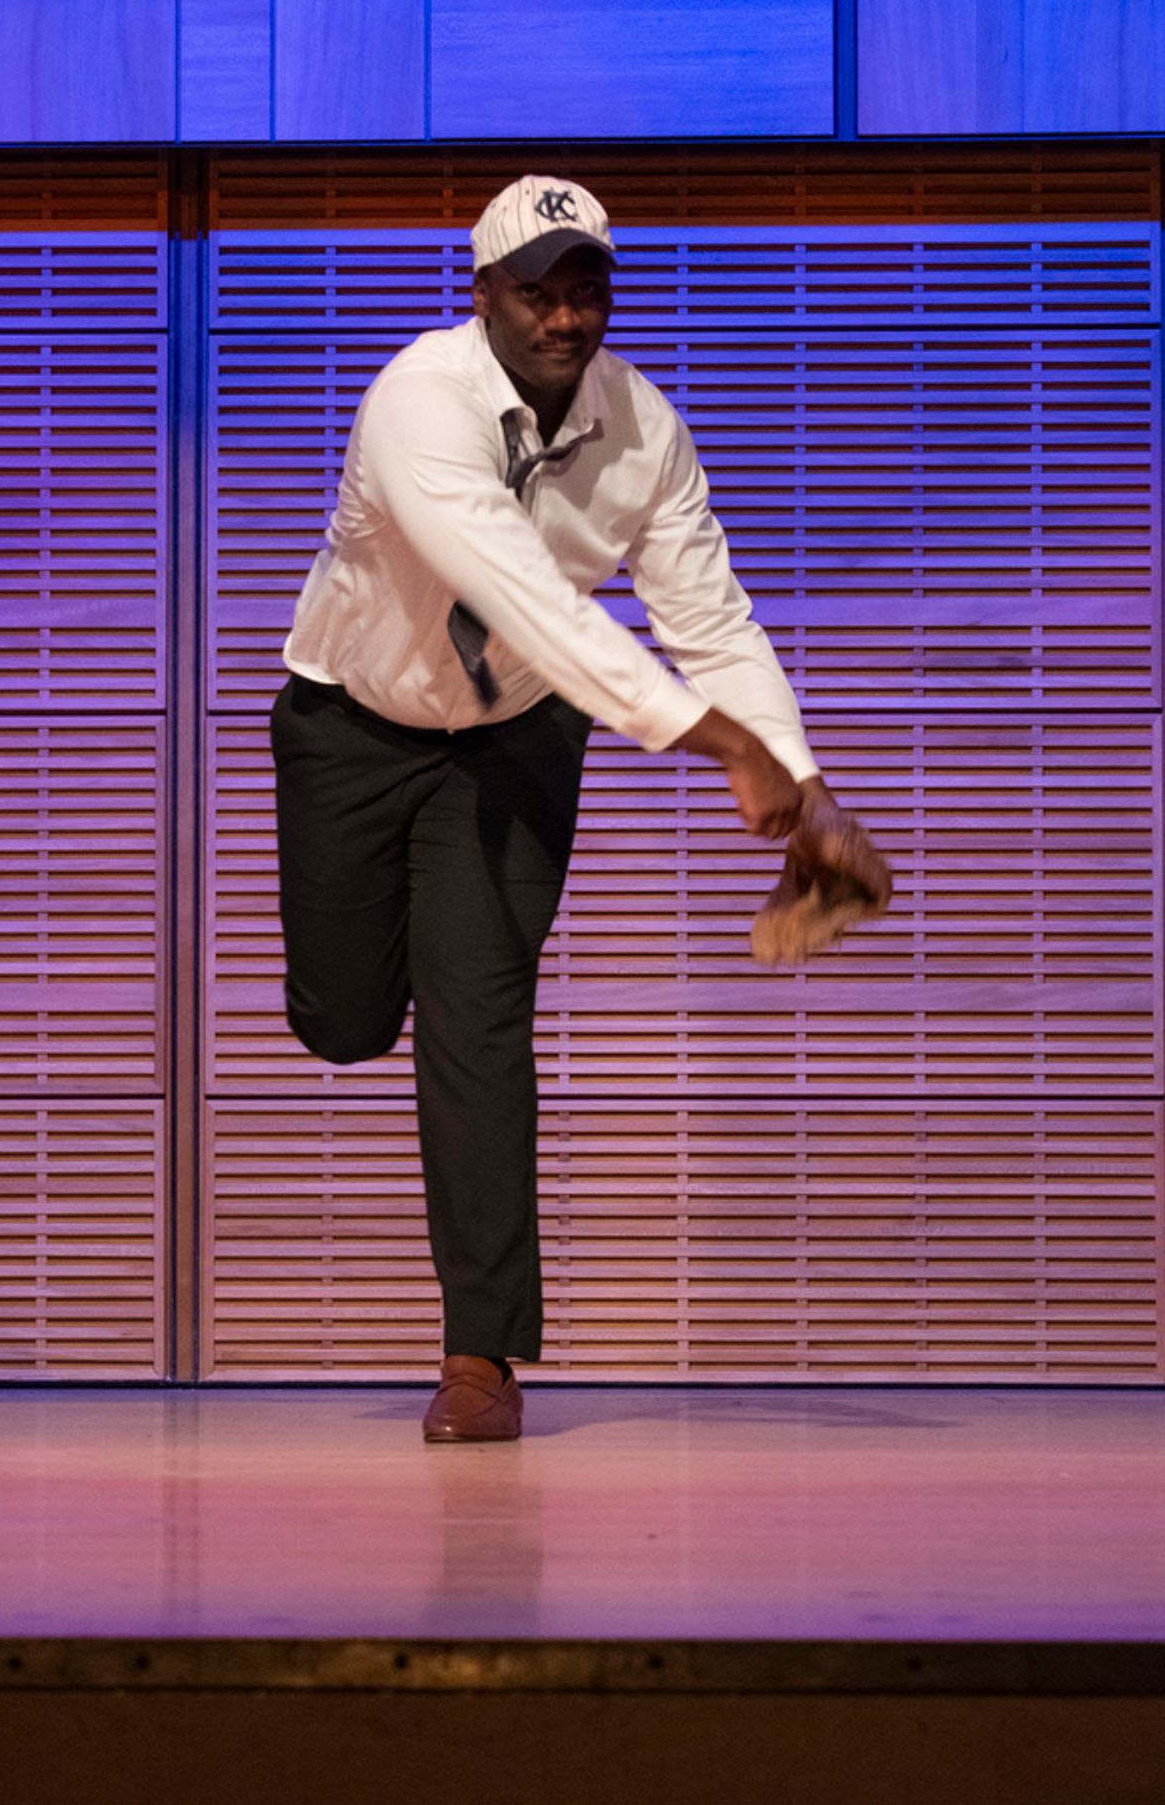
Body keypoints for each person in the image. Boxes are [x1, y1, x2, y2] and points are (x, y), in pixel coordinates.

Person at [271, 174, 890, 1443]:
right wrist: (718, 746)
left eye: (583, 288)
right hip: (353, 721)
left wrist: (801, 775)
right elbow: (525, 602)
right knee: (340, 1022)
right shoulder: (417, 402)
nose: (563, 317)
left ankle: (480, 1359)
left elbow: (705, 615)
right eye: (535, 292)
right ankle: (362, 1009)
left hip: (511, 742)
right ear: (483, 294)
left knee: (479, 1016)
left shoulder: (643, 428)